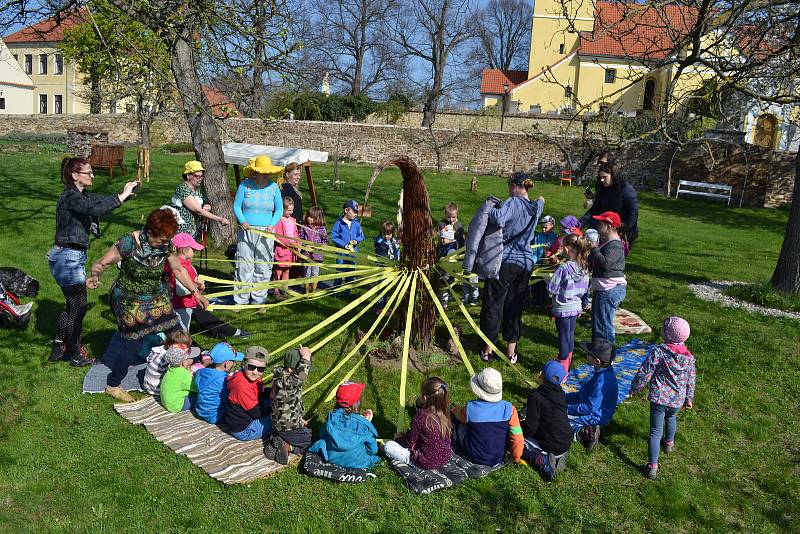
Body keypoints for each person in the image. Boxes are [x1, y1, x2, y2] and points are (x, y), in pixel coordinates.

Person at [88, 208, 209, 403]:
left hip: (155, 295)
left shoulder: (166, 245)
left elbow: (178, 269)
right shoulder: (129, 243)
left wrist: (196, 292)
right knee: (132, 344)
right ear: (149, 232)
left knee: (178, 333)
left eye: (167, 240)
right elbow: (102, 264)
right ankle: (113, 385)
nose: (165, 244)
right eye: (161, 240)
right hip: (128, 298)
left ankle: (181, 369)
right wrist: (94, 277)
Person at [48, 157, 140, 366]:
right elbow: (95, 210)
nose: (92, 175)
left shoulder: (82, 195)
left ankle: (59, 346)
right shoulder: (70, 197)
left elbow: (100, 202)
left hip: (69, 256)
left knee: (72, 305)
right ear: (75, 176)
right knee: (79, 306)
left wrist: (125, 193)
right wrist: (121, 197)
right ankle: (74, 353)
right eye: (88, 172)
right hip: (67, 257)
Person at [478, 173, 543, 364]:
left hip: (505, 261)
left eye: (509, 186)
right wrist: (540, 199)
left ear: (515, 186)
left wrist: (490, 206)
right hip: (525, 264)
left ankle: (488, 349)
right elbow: (540, 201)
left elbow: (498, 219)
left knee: (493, 304)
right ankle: (511, 353)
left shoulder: (513, 202)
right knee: (514, 306)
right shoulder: (536, 207)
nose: (508, 190)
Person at [629, 317, 696, 480]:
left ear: (667, 334)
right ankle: (669, 443)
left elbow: (645, 372)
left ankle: (652, 466)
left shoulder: (659, 352)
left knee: (655, 431)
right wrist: (689, 398)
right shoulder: (689, 358)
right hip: (677, 400)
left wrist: (634, 388)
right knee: (671, 418)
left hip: (659, 399)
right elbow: (691, 378)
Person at [167, 232, 249, 338]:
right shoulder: (178, 266)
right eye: (193, 249)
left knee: (209, 319)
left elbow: (191, 279)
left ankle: (230, 332)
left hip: (193, 302)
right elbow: (180, 290)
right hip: (182, 306)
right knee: (181, 335)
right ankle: (196, 350)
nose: (195, 252)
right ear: (184, 249)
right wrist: (196, 285)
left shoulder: (187, 263)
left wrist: (198, 285)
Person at [232, 155, 284, 305]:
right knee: (244, 264)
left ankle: (259, 300)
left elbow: (279, 209)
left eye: (268, 171)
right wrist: (243, 221)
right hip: (247, 230)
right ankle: (240, 300)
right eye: (263, 171)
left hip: (266, 232)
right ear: (256, 171)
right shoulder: (244, 185)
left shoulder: (274, 187)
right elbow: (237, 206)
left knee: (263, 265)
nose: (266, 173)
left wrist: (272, 223)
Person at [451, 368, 524, 466]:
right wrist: (516, 457)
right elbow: (517, 437)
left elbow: (459, 415)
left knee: (459, 426)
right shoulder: (510, 409)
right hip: (498, 456)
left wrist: (453, 410)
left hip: (473, 454)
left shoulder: (471, 408)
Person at [383, 377, 453, 470]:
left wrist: (398, 439)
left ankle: (414, 464)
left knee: (388, 446)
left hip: (425, 462)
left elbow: (410, 442)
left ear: (424, 397)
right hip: (444, 458)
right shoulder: (445, 414)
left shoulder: (422, 415)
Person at [307, 382, 381, 469]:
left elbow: (322, 434)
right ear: (357, 402)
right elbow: (373, 449)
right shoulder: (364, 427)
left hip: (330, 456)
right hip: (356, 461)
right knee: (375, 460)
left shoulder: (331, 418)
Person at [521, 360, 573, 481]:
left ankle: (541, 460)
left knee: (514, 442)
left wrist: (519, 428)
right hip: (565, 441)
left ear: (541, 375)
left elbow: (531, 428)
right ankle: (559, 457)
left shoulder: (536, 397)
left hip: (550, 445)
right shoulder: (561, 393)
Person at [566, 338, 619, 452]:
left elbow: (589, 407)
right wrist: (563, 398)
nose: (586, 354)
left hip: (595, 415)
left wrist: (565, 409)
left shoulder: (602, 382)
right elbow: (583, 394)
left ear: (597, 361)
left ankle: (585, 432)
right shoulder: (601, 372)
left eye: (589, 354)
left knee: (558, 421)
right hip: (589, 407)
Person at [547, 234, 590, 374]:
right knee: (569, 336)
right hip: (575, 307)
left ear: (566, 248)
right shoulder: (584, 267)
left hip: (563, 307)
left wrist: (550, 283)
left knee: (563, 338)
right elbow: (584, 289)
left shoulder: (563, 268)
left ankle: (561, 368)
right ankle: (567, 363)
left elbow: (551, 288)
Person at [266, 347, 314, 465]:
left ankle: (276, 440)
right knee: (312, 439)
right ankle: (287, 446)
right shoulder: (290, 381)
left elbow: (291, 404)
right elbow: (300, 376)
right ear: (290, 369)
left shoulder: (280, 377)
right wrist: (306, 357)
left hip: (279, 423)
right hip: (288, 427)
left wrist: (299, 419)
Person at [588, 211, 627, 345]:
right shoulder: (607, 243)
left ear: (609, 226)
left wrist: (594, 249)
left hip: (610, 290)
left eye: (601, 223)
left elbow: (605, 264)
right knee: (598, 321)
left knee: (604, 324)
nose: (598, 226)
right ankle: (598, 348)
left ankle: (606, 353)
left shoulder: (615, 245)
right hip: (604, 289)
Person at [580, 162, 639, 248]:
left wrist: (623, 232)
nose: (602, 180)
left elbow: (633, 215)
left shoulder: (627, 191)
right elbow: (595, 210)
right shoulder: (603, 189)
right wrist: (579, 224)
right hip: (604, 227)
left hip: (621, 231)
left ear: (614, 175)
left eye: (605, 177)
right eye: (600, 177)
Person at [225, 346, 272, 442]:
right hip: (244, 430)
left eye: (261, 369)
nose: (255, 372)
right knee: (279, 421)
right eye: (251, 367)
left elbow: (259, 392)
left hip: (247, 415)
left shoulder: (247, 375)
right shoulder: (242, 387)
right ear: (243, 364)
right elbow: (257, 414)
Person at [172, 160, 230, 239]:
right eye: (196, 176)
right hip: (181, 231)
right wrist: (219, 219)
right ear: (188, 175)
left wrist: (207, 206)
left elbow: (202, 203)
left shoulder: (197, 189)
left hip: (193, 231)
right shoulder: (183, 189)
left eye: (201, 176)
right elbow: (198, 210)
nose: (199, 179)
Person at [193, 342, 245, 425]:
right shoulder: (223, 380)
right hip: (216, 416)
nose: (234, 363)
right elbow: (229, 397)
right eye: (233, 361)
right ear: (226, 363)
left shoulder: (201, 372)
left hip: (200, 410)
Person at [143, 330, 190, 395]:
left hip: (147, 385)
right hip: (157, 389)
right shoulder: (168, 359)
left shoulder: (158, 350)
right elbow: (174, 375)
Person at [331, 200, 365, 289]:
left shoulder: (356, 224)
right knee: (340, 272)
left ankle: (348, 291)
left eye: (357, 212)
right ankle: (336, 290)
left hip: (352, 253)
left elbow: (361, 236)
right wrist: (343, 245)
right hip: (341, 253)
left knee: (351, 272)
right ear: (346, 210)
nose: (356, 214)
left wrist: (356, 241)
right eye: (354, 212)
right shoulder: (339, 223)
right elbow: (334, 237)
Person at [437, 203, 465, 309]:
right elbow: (437, 237)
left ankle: (446, 296)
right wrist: (440, 240)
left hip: (454, 257)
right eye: (449, 216)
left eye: (454, 217)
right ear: (445, 214)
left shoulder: (458, 226)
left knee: (450, 279)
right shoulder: (441, 225)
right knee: (443, 279)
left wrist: (452, 241)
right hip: (443, 257)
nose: (451, 219)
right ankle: (444, 302)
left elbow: (462, 241)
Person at [272, 196, 299, 300]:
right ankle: (276, 291)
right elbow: (277, 236)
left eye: (292, 210)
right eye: (289, 210)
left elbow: (295, 233)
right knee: (278, 271)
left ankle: (285, 290)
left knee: (287, 271)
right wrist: (287, 243)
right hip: (281, 250)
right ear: (282, 209)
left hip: (290, 251)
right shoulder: (278, 220)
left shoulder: (293, 220)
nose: (291, 213)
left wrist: (297, 243)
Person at [298, 206, 328, 294]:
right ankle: (306, 291)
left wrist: (319, 247)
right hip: (306, 254)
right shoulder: (304, 227)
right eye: (308, 216)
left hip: (317, 256)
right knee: (307, 273)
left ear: (318, 218)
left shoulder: (322, 229)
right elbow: (300, 238)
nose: (309, 219)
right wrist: (303, 245)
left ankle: (313, 291)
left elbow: (325, 241)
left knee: (315, 273)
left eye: (312, 217)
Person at [159, 345, 196, 413]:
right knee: (201, 397)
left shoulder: (170, 369)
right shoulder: (183, 374)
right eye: (190, 358)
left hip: (168, 402)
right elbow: (197, 388)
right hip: (176, 405)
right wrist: (194, 375)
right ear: (184, 362)